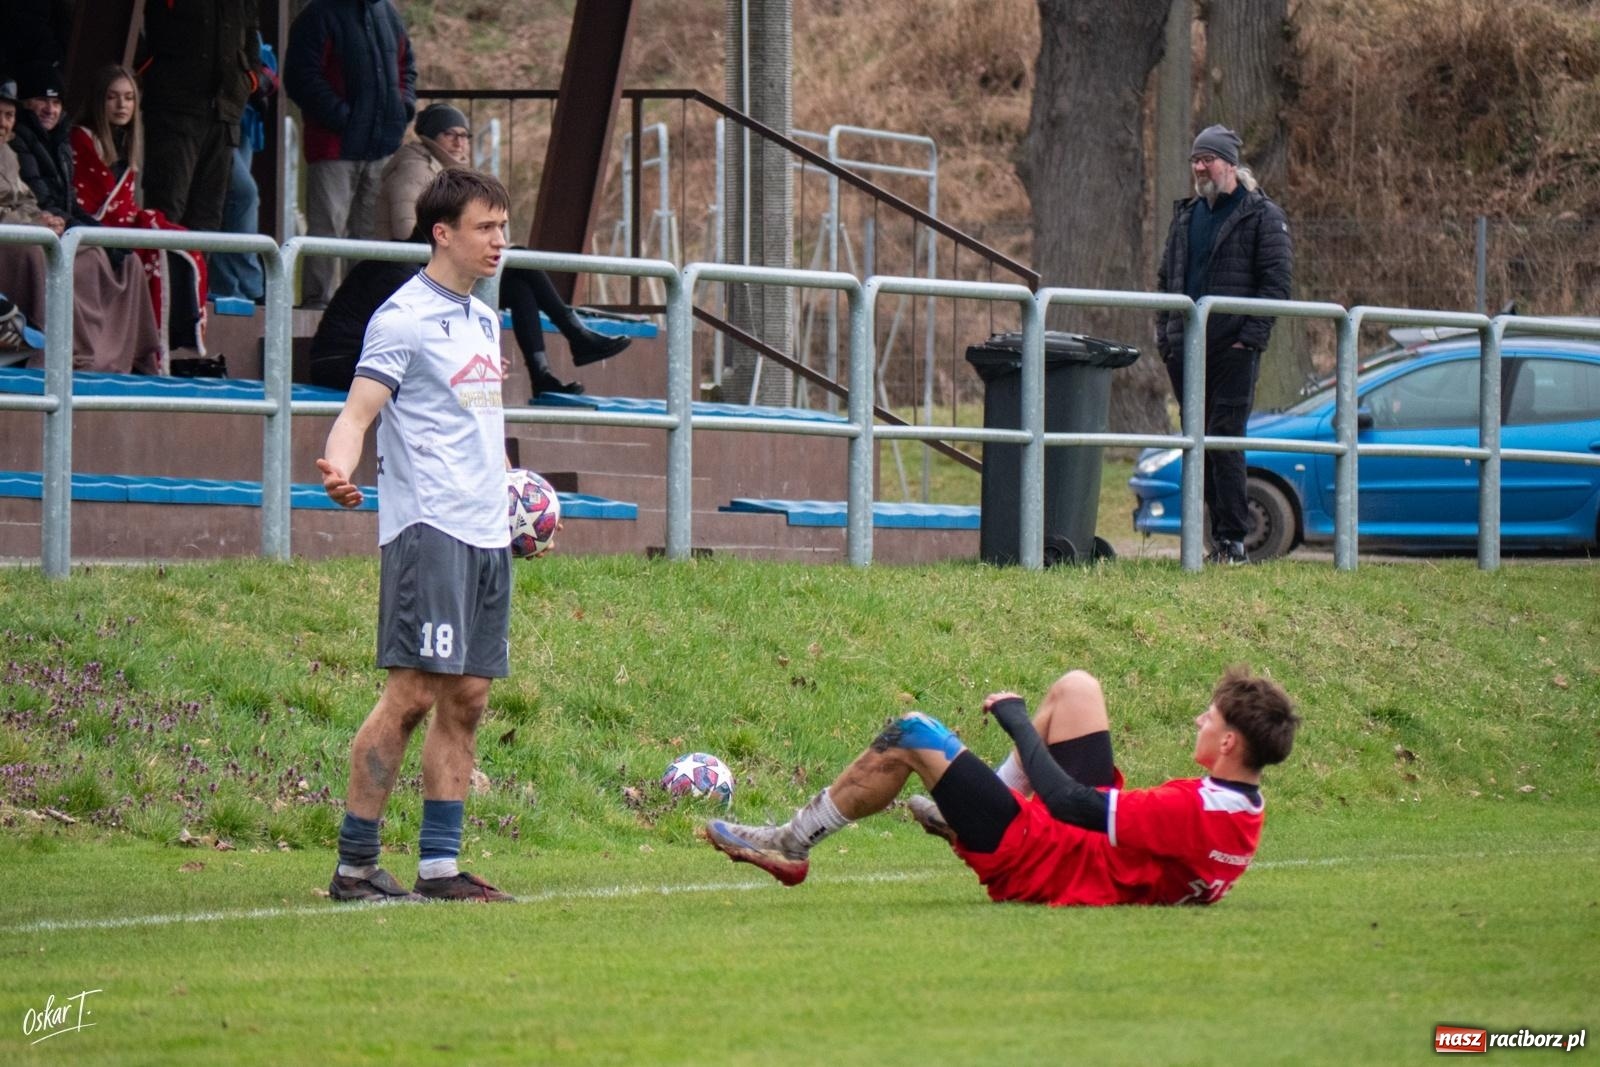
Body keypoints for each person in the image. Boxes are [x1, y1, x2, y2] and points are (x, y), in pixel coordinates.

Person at [315, 168, 520, 904]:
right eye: (485, 227)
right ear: (443, 233)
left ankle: (439, 867)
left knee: (469, 695)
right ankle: (355, 866)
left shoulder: (483, 319)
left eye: (503, 227)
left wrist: (517, 504)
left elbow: (480, 427)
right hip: (429, 527)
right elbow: (356, 414)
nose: (500, 240)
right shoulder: (401, 317)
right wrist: (339, 468)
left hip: (485, 533)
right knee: (412, 691)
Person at [704, 666, 1299, 907]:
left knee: (913, 732)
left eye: (1208, 718)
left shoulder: (1192, 809)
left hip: (1045, 857)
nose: (1198, 720)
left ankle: (792, 842)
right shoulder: (1244, 811)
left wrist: (1014, 717)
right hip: (1090, 851)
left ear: (1229, 744)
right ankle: (975, 802)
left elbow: (1068, 803)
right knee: (1078, 688)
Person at [371, 102, 630, 396]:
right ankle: (574, 334)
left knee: (520, 286)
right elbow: (410, 234)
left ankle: (542, 374)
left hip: (443, 263)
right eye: (450, 134)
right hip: (415, 271)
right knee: (522, 262)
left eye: (465, 135)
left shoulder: (446, 171)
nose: (459, 142)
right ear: (430, 136)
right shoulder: (413, 169)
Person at [1154, 125, 1293, 565]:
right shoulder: (1186, 216)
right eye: (1195, 159)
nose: (1199, 167)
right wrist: (1166, 338)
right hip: (1185, 351)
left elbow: (1276, 284)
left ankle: (1232, 540)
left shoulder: (1262, 216)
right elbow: (1165, 280)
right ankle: (1211, 541)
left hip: (1232, 350)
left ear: (1230, 164)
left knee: (1224, 439)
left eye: (1208, 159)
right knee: (1195, 441)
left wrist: (1248, 340)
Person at [0, 74, 161, 373]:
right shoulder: (33, 141)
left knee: (127, 260)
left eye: (8, 116)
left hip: (39, 226)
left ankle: (129, 357)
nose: (3, 123)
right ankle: (60, 354)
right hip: (14, 236)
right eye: (42, 101)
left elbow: (31, 201)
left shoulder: (15, 150)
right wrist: (41, 223)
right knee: (49, 256)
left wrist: (45, 219)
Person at [70, 63, 215, 376]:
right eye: (112, 97)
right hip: (87, 233)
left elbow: (126, 207)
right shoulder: (80, 139)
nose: (122, 105)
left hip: (118, 232)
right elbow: (93, 206)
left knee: (178, 247)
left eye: (129, 98)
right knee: (142, 255)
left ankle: (154, 350)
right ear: (98, 100)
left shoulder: (128, 143)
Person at [285, 0, 416, 308]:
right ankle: (316, 303)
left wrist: (403, 108)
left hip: (380, 146)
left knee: (370, 233)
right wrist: (342, 117)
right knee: (326, 228)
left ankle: (359, 305)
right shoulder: (318, 14)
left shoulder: (388, 14)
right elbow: (301, 76)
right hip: (333, 146)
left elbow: (406, 67)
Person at [137, 1, 264, 234]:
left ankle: (197, 261)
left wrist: (249, 78)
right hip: (174, 108)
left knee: (208, 216)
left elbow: (251, 30)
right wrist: (148, 67)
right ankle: (160, 260)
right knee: (167, 207)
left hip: (225, 112)